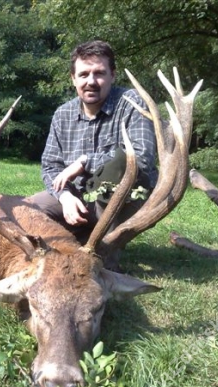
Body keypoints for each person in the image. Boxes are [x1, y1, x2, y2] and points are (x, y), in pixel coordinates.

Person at [30, 40, 158, 251]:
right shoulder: (63, 114)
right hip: (78, 195)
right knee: (30, 212)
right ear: (73, 79)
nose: (91, 81)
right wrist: (65, 197)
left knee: (99, 259)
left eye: (99, 73)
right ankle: (79, 234)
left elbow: (141, 159)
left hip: (121, 197)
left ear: (113, 75)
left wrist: (85, 161)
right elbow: (50, 166)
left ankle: (102, 248)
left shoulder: (132, 103)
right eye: (83, 74)